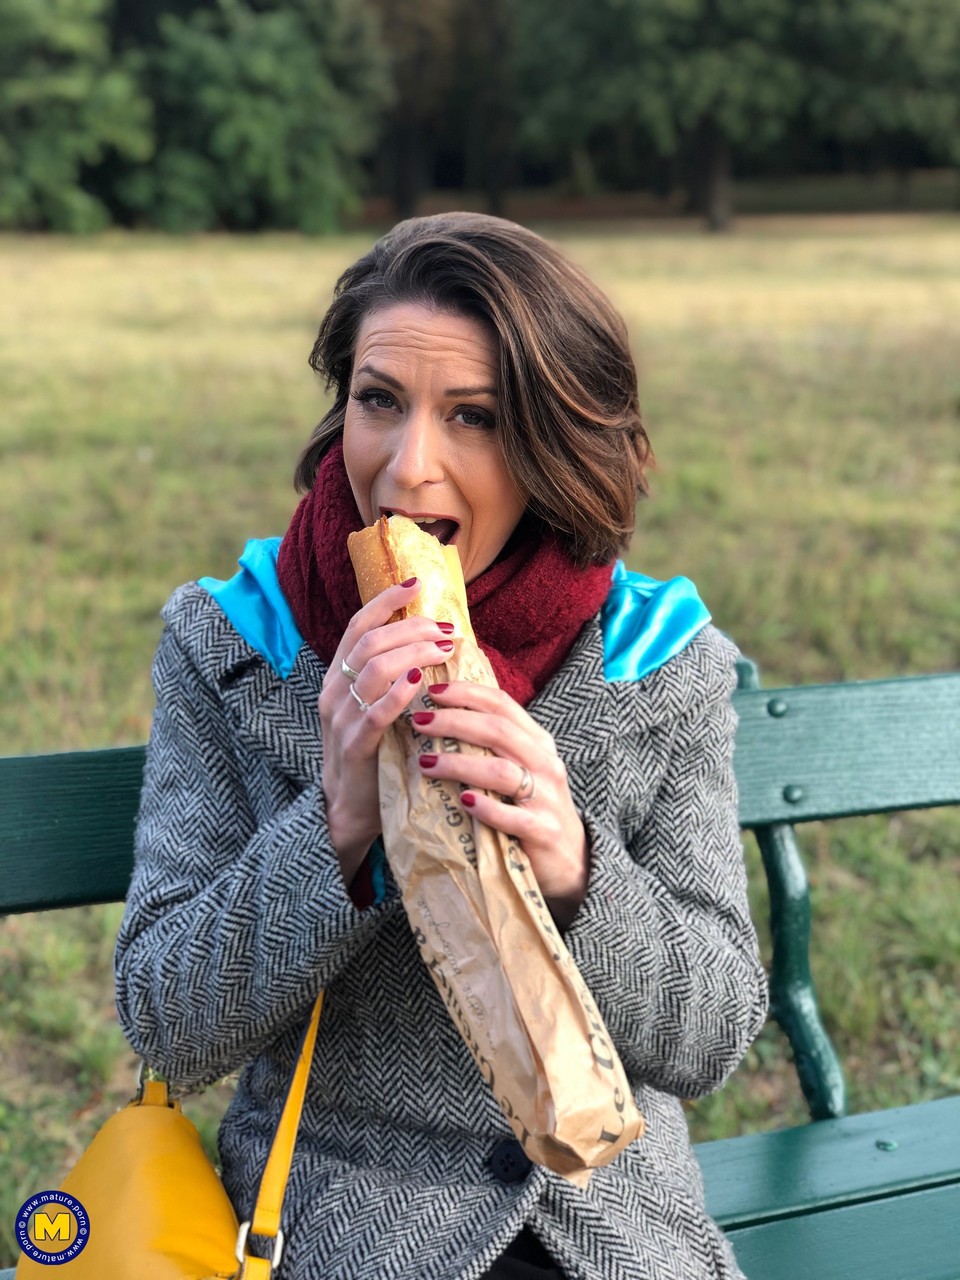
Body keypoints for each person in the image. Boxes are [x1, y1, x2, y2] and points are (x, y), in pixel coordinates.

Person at [114, 211, 767, 1280]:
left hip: (612, 1231)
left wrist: (579, 868)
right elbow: (168, 1022)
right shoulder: (236, 641)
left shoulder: (656, 661)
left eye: (474, 417)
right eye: (380, 401)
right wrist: (332, 824)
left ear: (558, 442)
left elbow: (713, 1036)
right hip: (344, 1226)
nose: (408, 468)